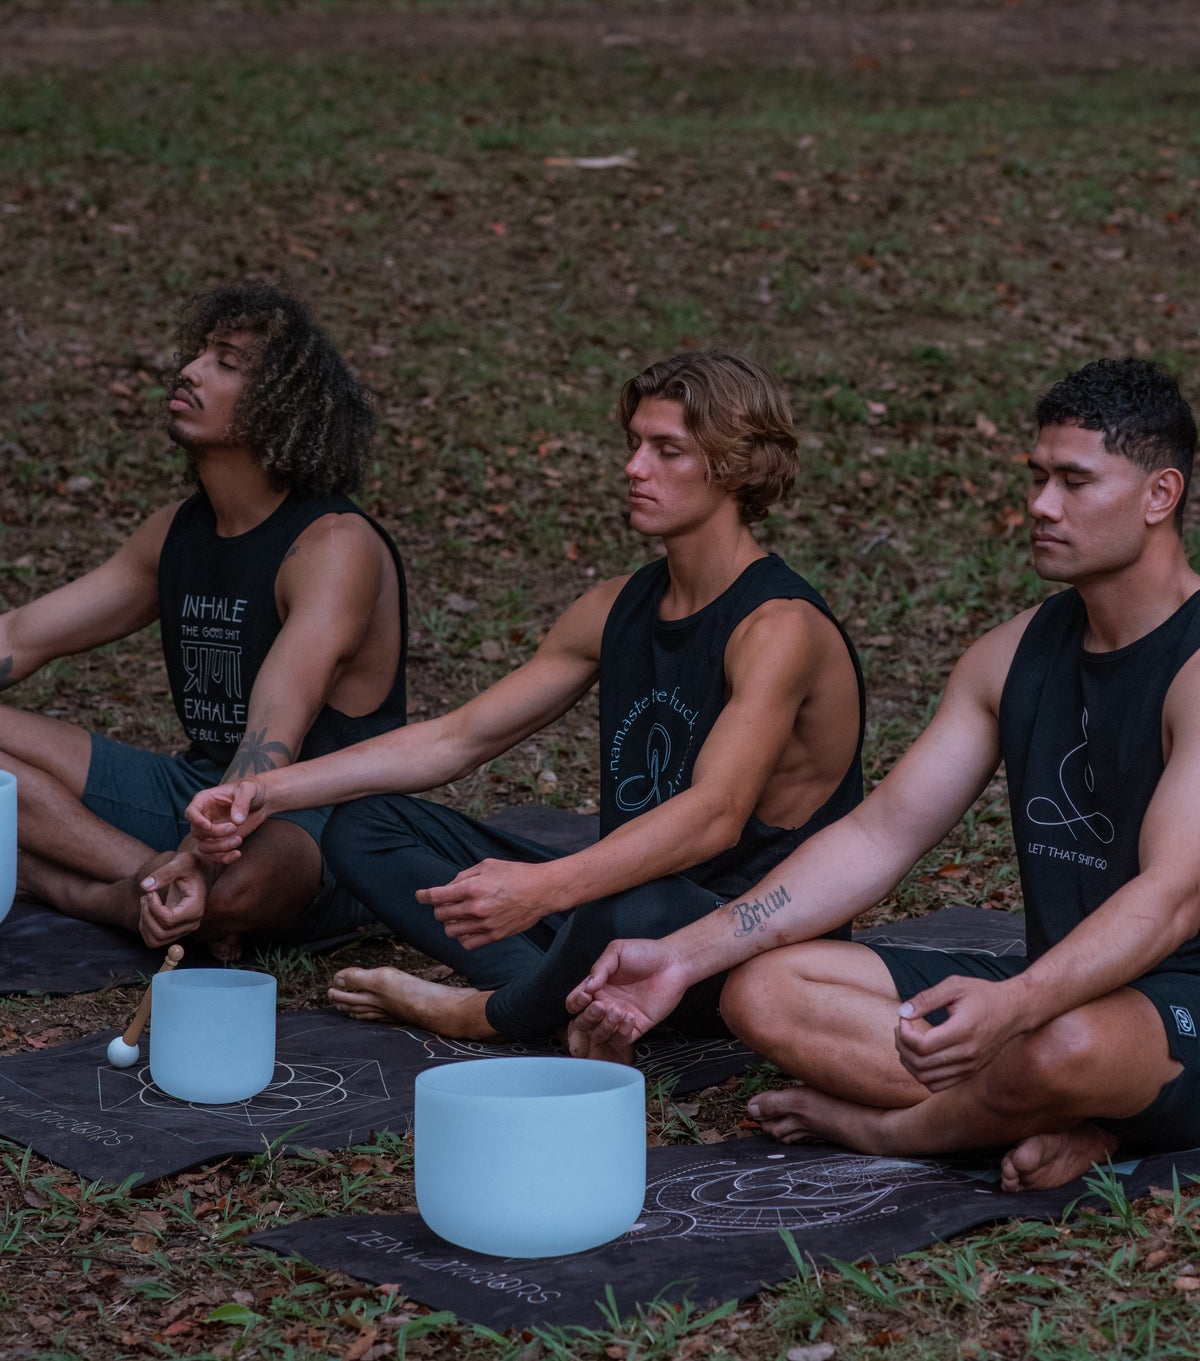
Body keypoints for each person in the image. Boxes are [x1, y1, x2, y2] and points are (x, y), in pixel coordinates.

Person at [567, 358, 1200, 1190]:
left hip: (1166, 1004)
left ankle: (898, 1128)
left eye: (1075, 481)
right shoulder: (1011, 655)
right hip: (1059, 992)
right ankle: (1058, 1114)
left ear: (1160, 495)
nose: (1041, 505)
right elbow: (877, 833)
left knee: (1065, 1045)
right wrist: (683, 956)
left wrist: (1017, 1003)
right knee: (762, 989)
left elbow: (1172, 898)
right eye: (1038, 476)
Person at [187, 350, 865, 1041]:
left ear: (738, 468)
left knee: (624, 907)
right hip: (615, 906)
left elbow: (715, 815)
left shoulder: (777, 628)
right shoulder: (617, 608)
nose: (634, 468)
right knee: (365, 824)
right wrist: (267, 792)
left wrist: (545, 888)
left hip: (738, 944)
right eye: (634, 444)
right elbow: (459, 738)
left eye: (668, 451)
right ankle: (545, 988)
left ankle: (484, 1012)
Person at [0, 281, 408, 953]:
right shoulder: (174, 533)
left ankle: (83, 884)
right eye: (199, 353)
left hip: (316, 815)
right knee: (195, 885)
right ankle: (140, 882)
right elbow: (22, 635)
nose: (189, 370)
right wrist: (176, 855)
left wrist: (204, 851)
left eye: (226, 362)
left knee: (231, 894)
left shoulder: (332, 546)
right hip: (196, 789)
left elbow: (271, 732)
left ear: (283, 408)